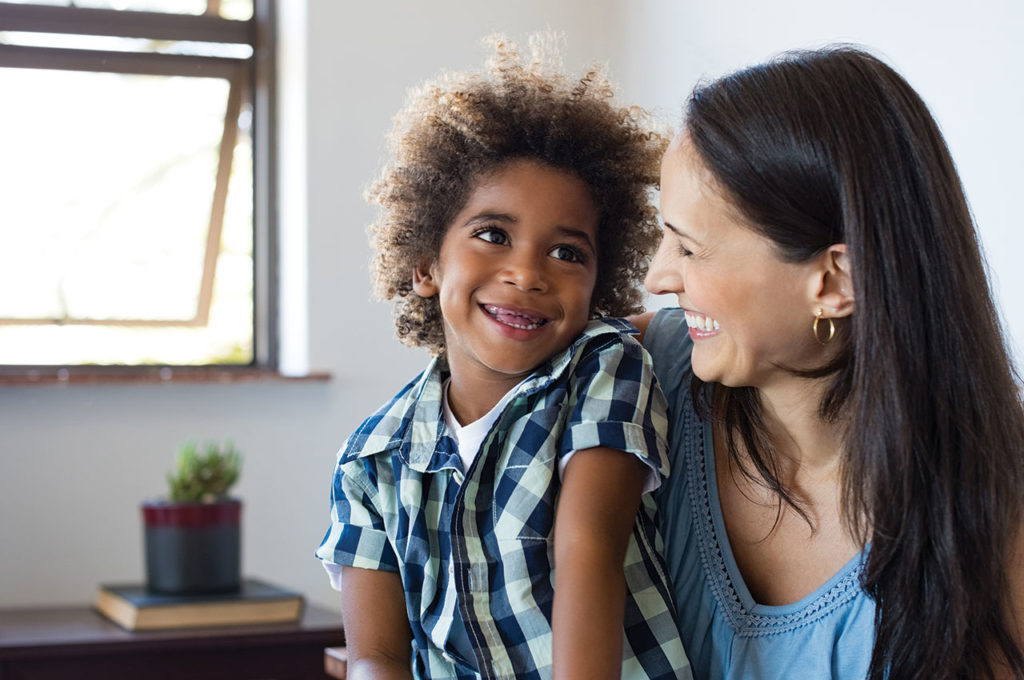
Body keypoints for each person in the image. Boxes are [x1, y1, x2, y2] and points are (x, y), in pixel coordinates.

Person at [633, 44, 1024, 679]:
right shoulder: (639, 379)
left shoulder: (999, 517)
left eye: (691, 248)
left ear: (835, 280)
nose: (658, 276)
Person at [315, 36, 691, 680]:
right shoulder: (371, 460)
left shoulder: (604, 367)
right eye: (493, 235)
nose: (526, 272)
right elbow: (376, 654)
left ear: (599, 286)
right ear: (426, 264)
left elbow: (588, 552)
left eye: (567, 253)